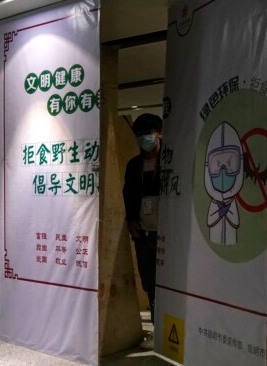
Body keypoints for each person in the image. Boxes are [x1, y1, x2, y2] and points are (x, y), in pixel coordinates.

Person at [122, 113, 163, 349]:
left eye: (148, 133)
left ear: (158, 133)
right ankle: (158, 327)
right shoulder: (133, 165)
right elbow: (128, 195)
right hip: (142, 231)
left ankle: (170, 325)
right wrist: (130, 220)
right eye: (139, 134)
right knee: (148, 280)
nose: (143, 138)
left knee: (168, 279)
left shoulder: (170, 159)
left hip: (167, 231)